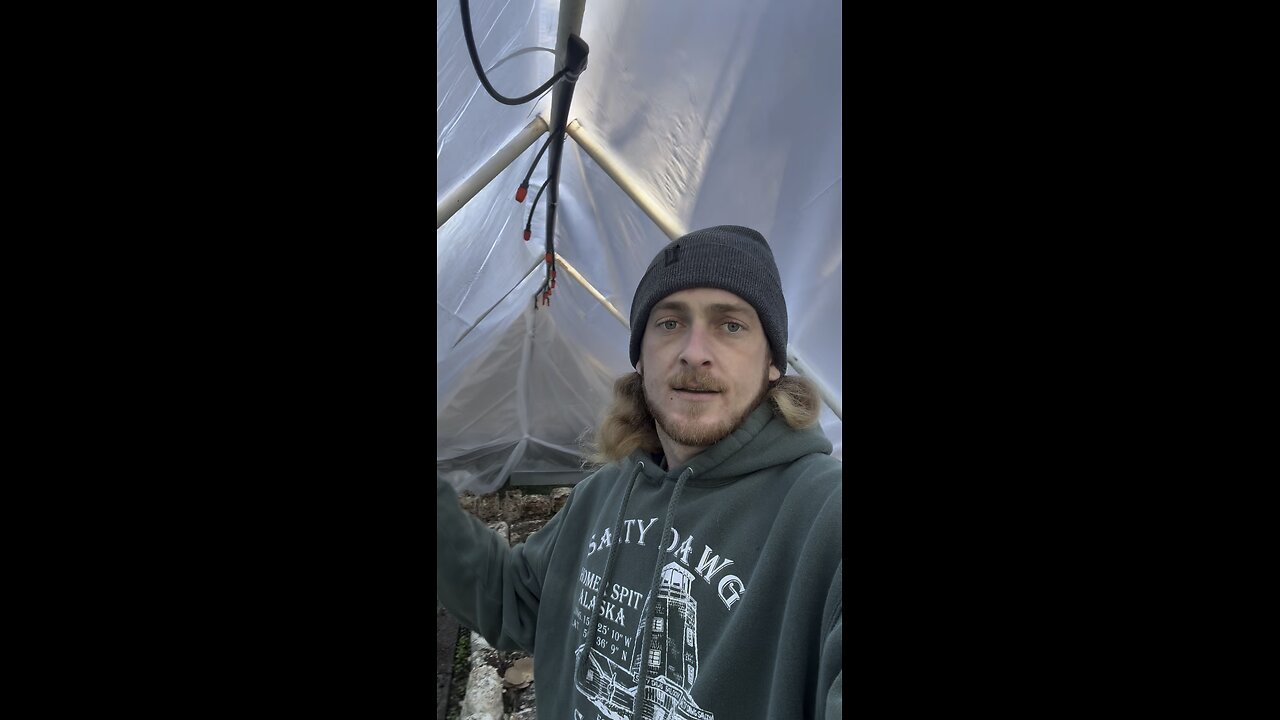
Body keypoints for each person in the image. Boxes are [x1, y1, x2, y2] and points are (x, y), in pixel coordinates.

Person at [438, 225, 842, 719]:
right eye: (670, 323)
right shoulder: (602, 494)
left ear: (773, 363)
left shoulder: (824, 517)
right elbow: (514, 601)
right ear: (640, 355)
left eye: (730, 325)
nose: (695, 351)